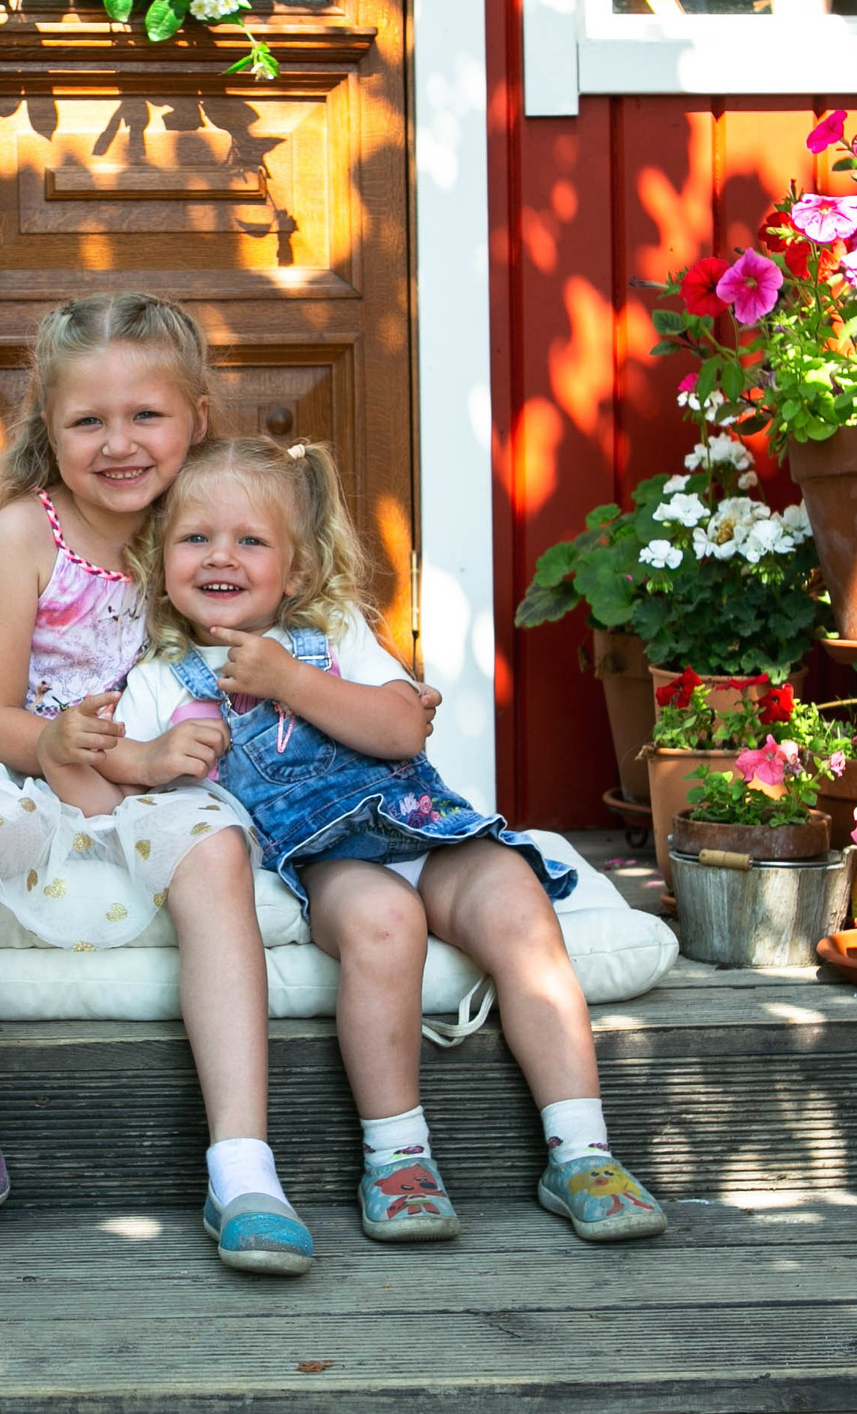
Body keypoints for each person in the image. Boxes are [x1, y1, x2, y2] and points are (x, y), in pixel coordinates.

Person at [116, 436, 667, 1245]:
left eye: (250, 541)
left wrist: (290, 679)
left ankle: (582, 1151)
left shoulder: (333, 635)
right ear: (160, 560)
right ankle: (398, 1156)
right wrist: (154, 758)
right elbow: (116, 775)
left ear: (296, 572)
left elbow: (404, 728)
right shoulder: (161, 678)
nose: (220, 557)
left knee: (520, 908)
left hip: (425, 827)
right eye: (195, 538)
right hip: (331, 857)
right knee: (384, 926)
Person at [0, 293, 311, 1276]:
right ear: (47, 427)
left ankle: (243, 1161)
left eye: (146, 414)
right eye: (87, 420)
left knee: (217, 853)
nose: (118, 443)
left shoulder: (207, 526)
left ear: (195, 416)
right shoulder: (27, 534)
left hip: (162, 780)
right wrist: (57, 741)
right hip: (35, 763)